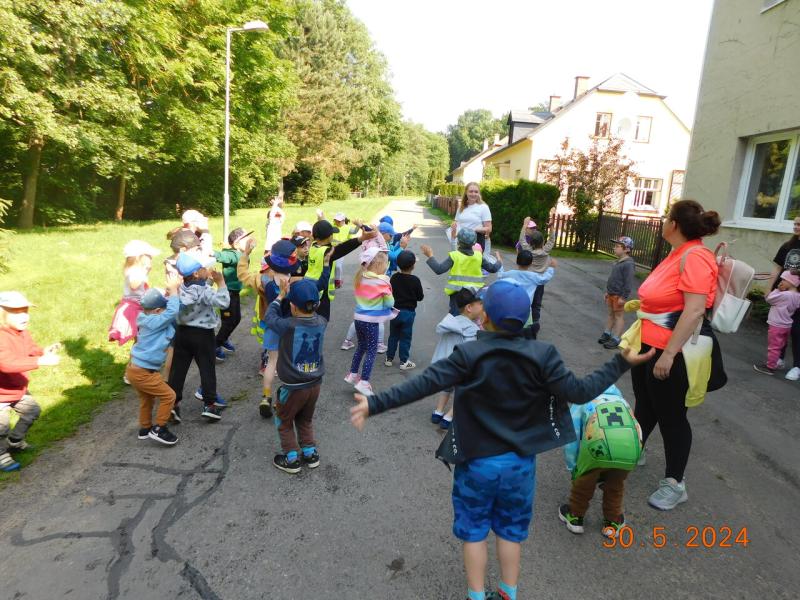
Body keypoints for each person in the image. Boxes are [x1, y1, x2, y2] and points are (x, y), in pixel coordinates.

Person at [350, 280, 654, 600]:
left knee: (474, 533)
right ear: (525, 319)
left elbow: (426, 383)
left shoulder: (469, 353)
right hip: (519, 465)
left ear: (485, 317)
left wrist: (375, 403)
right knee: (510, 532)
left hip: (475, 463)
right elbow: (579, 391)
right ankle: (508, 592)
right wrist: (620, 362)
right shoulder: (543, 354)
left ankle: (476, 595)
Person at [621, 199, 720, 511]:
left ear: (674, 225)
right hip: (649, 345)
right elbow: (666, 297)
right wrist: (645, 310)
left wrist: (669, 355)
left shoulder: (696, 257)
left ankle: (675, 484)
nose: (663, 221)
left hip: (672, 352)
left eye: (666, 217)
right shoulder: (677, 252)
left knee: (672, 417)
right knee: (645, 404)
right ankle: (633, 451)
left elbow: (694, 310)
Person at [558, 385, 642, 538]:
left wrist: (574, 467)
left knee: (585, 482)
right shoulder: (622, 401)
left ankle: (575, 517)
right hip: (628, 449)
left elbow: (571, 437)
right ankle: (612, 523)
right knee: (615, 485)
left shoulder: (581, 402)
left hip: (598, 444)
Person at [264, 278, 329, 474]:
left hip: (292, 388)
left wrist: (280, 296)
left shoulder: (288, 325)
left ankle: (291, 458)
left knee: (284, 420)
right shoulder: (322, 322)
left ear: (292, 306)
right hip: (315, 384)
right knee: (305, 419)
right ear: (316, 304)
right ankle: (310, 453)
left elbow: (269, 316)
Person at [238, 238, 305, 418]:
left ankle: (266, 397)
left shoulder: (262, 280)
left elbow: (242, 275)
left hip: (271, 325)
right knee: (290, 363)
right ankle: (286, 399)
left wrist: (245, 254)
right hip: (291, 327)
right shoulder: (297, 282)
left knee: (272, 362)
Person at [0, 292, 60, 472]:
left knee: (32, 411)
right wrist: (40, 361)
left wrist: (42, 352)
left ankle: (15, 441)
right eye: (16, 312)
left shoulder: (22, 332)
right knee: (1, 427)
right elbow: (6, 363)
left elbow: (30, 348)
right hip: (1, 393)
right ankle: (1, 454)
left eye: (25, 311)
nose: (24, 317)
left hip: (17, 388)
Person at [167, 253, 230, 422]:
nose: (207, 269)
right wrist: (221, 283)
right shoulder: (205, 291)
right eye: (204, 268)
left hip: (182, 333)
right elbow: (223, 302)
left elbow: (193, 293)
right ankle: (210, 404)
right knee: (207, 368)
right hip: (203, 335)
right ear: (196, 273)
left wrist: (208, 281)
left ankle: (172, 404)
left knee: (178, 370)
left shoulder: (180, 288)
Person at [126, 284, 181, 446]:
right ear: (157, 311)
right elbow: (173, 312)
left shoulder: (147, 319)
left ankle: (145, 428)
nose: (167, 312)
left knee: (147, 399)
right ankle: (159, 428)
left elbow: (173, 313)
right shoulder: (155, 321)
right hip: (144, 372)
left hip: (134, 370)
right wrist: (174, 291)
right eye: (164, 309)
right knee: (169, 396)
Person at [344, 247, 396, 396]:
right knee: (372, 351)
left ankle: (353, 374)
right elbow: (390, 303)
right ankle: (364, 382)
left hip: (358, 319)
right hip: (371, 321)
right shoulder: (381, 282)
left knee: (361, 347)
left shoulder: (360, 277)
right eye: (386, 264)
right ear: (379, 264)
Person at [429, 287, 483, 430]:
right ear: (469, 308)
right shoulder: (472, 329)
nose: (483, 308)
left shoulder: (450, 322)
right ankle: (449, 417)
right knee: (463, 391)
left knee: (447, 388)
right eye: (481, 305)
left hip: (444, 365)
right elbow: (470, 352)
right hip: (459, 367)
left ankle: (438, 411)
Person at [422, 228, 502, 316]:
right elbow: (493, 268)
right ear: (474, 243)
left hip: (456, 293)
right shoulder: (478, 256)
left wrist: (430, 256)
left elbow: (439, 269)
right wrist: (499, 261)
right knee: (471, 316)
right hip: (474, 293)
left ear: (458, 242)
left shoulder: (454, 256)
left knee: (456, 316)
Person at [307, 219, 375, 320]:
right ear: (330, 236)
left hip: (308, 286)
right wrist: (361, 239)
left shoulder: (313, 246)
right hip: (321, 293)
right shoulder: (327, 252)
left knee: (308, 316)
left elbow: (337, 246)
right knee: (321, 320)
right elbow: (343, 248)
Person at [109, 240, 161, 347]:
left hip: (138, 305)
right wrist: (144, 271)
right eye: (149, 256)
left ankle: (137, 355)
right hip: (133, 308)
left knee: (141, 336)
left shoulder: (136, 269)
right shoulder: (134, 270)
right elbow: (134, 285)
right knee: (140, 336)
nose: (151, 259)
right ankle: (137, 356)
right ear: (139, 257)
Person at [767, 216, 800, 380]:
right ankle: (778, 358)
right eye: (795, 224)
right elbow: (777, 268)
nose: (796, 226)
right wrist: (769, 288)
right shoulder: (787, 246)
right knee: (781, 327)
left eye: (799, 224)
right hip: (782, 294)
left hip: (796, 297)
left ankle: (797, 366)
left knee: (797, 330)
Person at [214, 228, 251, 361]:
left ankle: (223, 338)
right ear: (236, 243)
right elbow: (221, 256)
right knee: (228, 321)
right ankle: (215, 345)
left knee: (236, 319)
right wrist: (209, 253)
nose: (249, 241)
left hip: (234, 293)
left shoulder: (241, 253)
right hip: (227, 294)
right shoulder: (233, 255)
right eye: (246, 239)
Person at [753, 270, 800, 375]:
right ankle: (776, 362)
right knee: (779, 346)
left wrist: (777, 289)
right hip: (787, 325)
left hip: (777, 325)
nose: (781, 282)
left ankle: (770, 367)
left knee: (773, 347)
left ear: (792, 282)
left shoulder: (785, 295)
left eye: (784, 280)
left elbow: (769, 299)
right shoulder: (797, 296)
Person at [497, 249, 555, 332]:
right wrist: (551, 268)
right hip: (526, 308)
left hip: (510, 306)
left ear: (517, 262)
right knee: (525, 330)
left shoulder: (511, 273)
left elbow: (500, 275)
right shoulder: (534, 276)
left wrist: (500, 261)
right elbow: (545, 278)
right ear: (531, 264)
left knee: (509, 329)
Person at [385, 250, 424, 370]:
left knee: (393, 335)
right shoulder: (415, 280)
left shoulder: (394, 278)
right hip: (408, 313)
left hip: (394, 311)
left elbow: (390, 292)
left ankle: (389, 358)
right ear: (413, 266)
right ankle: (404, 361)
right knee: (405, 337)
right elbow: (420, 297)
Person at [516, 218, 556, 329]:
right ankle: (535, 323)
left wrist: (524, 225)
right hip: (539, 281)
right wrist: (551, 228)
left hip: (528, 280)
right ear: (542, 242)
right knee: (537, 303)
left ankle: (521, 320)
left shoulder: (528, 250)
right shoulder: (545, 251)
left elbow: (521, 239)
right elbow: (552, 240)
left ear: (530, 242)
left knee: (525, 300)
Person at [598, 236, 636, 349]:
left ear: (627, 249)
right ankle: (607, 333)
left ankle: (616, 338)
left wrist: (623, 297)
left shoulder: (628, 264)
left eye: (617, 246)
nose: (614, 248)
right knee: (611, 314)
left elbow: (628, 282)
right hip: (611, 293)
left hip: (619, 296)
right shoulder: (617, 262)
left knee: (619, 316)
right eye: (615, 246)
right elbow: (613, 279)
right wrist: (608, 292)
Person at [452, 182, 492, 251]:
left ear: (479, 193)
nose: (473, 194)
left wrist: (475, 229)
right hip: (460, 243)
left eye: (476, 192)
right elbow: (456, 223)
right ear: (466, 192)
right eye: (471, 191)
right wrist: (453, 228)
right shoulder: (461, 207)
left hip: (476, 243)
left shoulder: (483, 207)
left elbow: (489, 228)